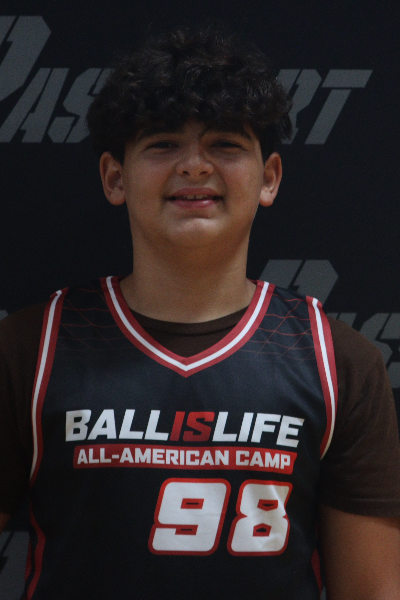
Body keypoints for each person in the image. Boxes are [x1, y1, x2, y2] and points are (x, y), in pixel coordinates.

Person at [1, 25, 400, 600]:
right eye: (163, 143)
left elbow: (370, 591)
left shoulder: (338, 362)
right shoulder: (31, 348)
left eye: (225, 145)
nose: (194, 165)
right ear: (115, 177)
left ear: (269, 178)